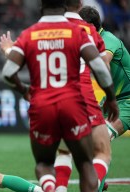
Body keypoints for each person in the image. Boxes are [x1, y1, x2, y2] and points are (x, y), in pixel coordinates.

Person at [0, 0, 119, 191]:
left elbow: (7, 72)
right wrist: (111, 98)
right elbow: (100, 68)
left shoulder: (30, 33)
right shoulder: (79, 32)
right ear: (69, 5)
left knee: (45, 163)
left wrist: (24, 90)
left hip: (42, 106)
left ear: (40, 7)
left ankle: (50, 187)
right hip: (74, 103)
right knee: (88, 161)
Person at [53, 1, 113, 191]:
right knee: (102, 152)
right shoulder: (89, 30)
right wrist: (111, 97)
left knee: (64, 151)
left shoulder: (48, 28)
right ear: (79, 4)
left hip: (55, 98)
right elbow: (103, 69)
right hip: (83, 96)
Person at [79, 6, 130, 141]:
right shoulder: (89, 43)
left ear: (89, 26)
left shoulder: (107, 40)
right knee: (83, 139)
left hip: (127, 101)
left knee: (99, 141)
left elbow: (103, 65)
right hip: (112, 99)